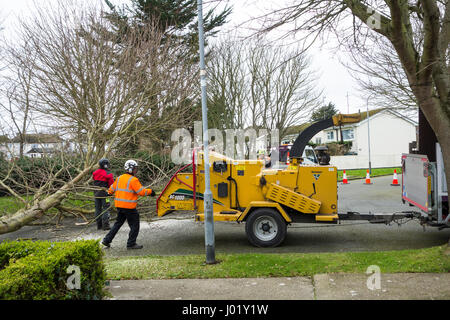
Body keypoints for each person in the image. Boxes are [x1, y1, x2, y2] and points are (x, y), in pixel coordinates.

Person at [102, 160, 155, 249]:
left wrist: (108, 193)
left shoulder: (119, 178)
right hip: (129, 208)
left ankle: (106, 240)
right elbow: (141, 192)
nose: (136, 170)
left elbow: (111, 189)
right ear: (131, 169)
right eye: (135, 169)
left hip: (119, 206)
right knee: (135, 225)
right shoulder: (133, 180)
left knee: (117, 224)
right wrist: (151, 192)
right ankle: (131, 244)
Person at [92, 158, 114, 230]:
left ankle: (99, 225)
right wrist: (112, 192)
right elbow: (112, 185)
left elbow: (94, 181)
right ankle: (106, 225)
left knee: (97, 209)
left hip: (96, 193)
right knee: (106, 209)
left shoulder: (95, 173)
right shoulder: (108, 174)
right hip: (105, 194)